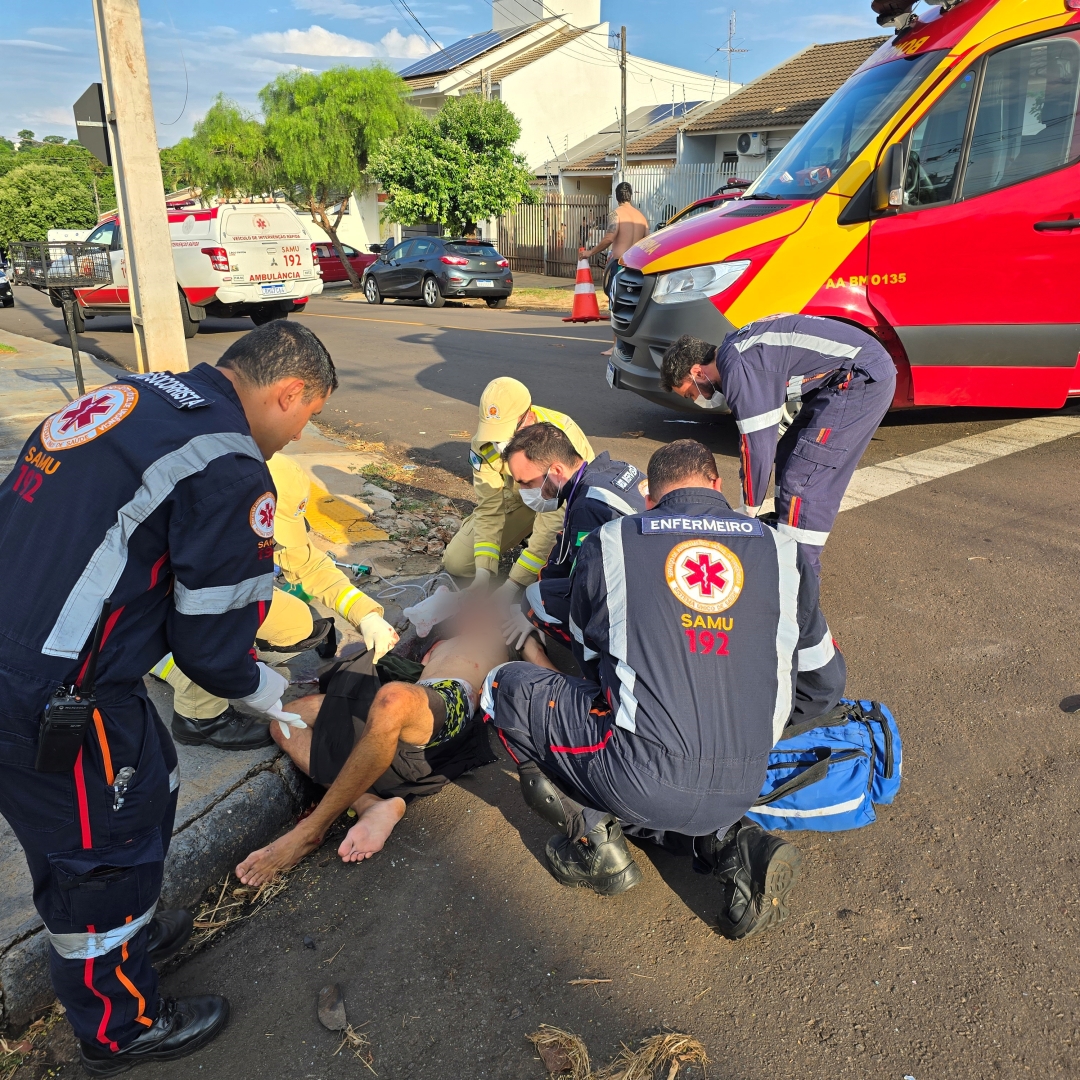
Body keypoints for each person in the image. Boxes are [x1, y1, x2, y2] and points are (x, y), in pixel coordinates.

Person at [0, 322, 337, 1075]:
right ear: (289, 393)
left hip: (45, 653)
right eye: (306, 416)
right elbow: (212, 647)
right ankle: (120, 1024)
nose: (295, 435)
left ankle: (131, 933)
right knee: (101, 850)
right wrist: (274, 694)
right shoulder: (228, 461)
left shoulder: (135, 396)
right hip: (55, 690)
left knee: (148, 784)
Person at [481, 440, 846, 939]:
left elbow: (592, 660)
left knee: (506, 687)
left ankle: (595, 844)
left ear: (650, 496)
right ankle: (725, 839)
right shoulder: (782, 551)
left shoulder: (613, 541)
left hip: (642, 773)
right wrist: (740, 731)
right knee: (673, 765)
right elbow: (825, 684)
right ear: (717, 486)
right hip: (744, 780)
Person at [234, 598, 509, 886]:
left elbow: (540, 674)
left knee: (393, 699)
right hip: (413, 701)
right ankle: (369, 804)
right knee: (286, 721)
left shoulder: (504, 635)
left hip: (452, 701)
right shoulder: (441, 642)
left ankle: (310, 831)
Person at [150, 452, 399, 750]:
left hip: (188, 604)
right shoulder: (189, 522)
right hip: (151, 609)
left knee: (295, 623)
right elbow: (208, 609)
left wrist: (366, 615)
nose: (273, 538)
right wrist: (243, 675)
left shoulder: (245, 508)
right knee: (218, 619)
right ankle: (200, 716)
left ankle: (190, 663)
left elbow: (312, 567)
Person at [659, 314, 896, 573]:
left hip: (860, 377)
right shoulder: (736, 351)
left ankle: (797, 578)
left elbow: (756, 447)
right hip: (842, 376)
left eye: (691, 392)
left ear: (697, 372)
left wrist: (746, 513)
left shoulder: (739, 368)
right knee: (789, 451)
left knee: (804, 477)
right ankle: (783, 533)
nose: (697, 399)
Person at [497, 422, 648, 651]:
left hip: (640, 606)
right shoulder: (609, 470)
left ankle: (598, 660)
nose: (525, 492)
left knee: (537, 598)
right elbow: (566, 546)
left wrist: (533, 614)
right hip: (659, 578)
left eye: (527, 483)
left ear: (556, 471)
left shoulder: (587, 507)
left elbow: (585, 586)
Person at [442, 377, 593, 600]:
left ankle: (537, 545)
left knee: (555, 563)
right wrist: (483, 573)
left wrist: (513, 584)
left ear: (528, 416)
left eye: (506, 433)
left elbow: (557, 513)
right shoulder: (484, 443)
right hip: (518, 500)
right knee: (457, 563)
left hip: (559, 502)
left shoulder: (563, 434)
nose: (500, 444)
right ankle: (526, 533)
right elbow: (489, 507)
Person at [581, 181, 649, 356]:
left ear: (617, 197)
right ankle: (633, 346)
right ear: (631, 196)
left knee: (617, 307)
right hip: (639, 268)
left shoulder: (616, 214)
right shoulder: (642, 217)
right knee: (634, 307)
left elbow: (609, 238)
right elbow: (647, 242)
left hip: (621, 267)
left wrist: (590, 252)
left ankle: (616, 346)